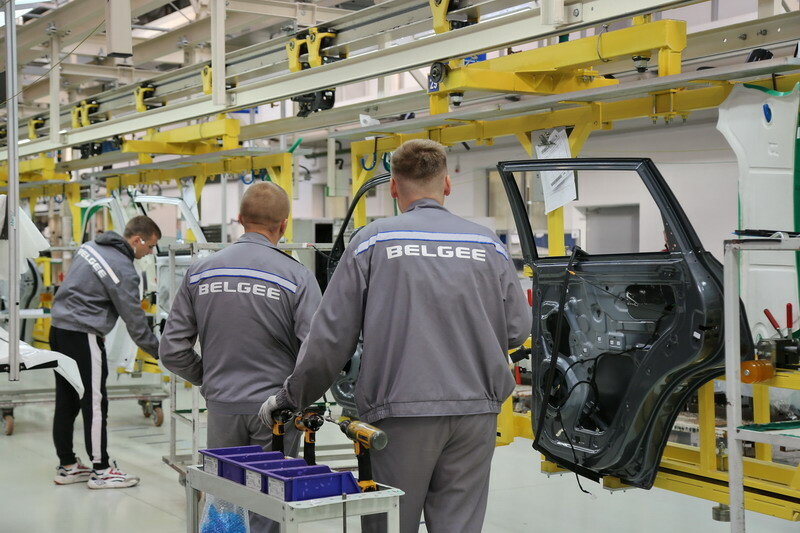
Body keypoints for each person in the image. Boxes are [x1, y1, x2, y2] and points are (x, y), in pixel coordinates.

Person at [260, 139, 531, 533]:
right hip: (476, 413)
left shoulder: (372, 241)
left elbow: (331, 339)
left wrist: (292, 396)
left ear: (392, 187)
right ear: (447, 184)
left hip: (400, 414)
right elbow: (517, 329)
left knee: (390, 521)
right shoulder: (488, 243)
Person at [160, 182, 322, 533]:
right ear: (284, 224)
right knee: (269, 505)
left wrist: (209, 377)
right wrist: (292, 395)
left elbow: (171, 350)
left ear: (239, 218)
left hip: (222, 406)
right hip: (276, 411)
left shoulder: (200, 272)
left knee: (225, 502)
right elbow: (318, 352)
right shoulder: (297, 276)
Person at [50, 215, 161, 489]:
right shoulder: (123, 268)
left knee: (67, 399)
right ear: (137, 240)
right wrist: (162, 352)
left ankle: (67, 465)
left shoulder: (90, 246)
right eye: (150, 246)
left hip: (59, 329)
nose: (150, 252)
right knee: (95, 401)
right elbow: (135, 321)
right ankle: (101, 470)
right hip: (83, 334)